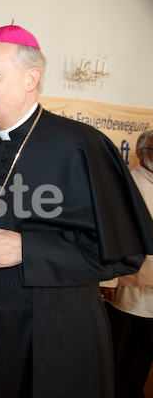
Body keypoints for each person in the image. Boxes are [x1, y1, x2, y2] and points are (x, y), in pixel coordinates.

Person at [0, 24, 153, 398]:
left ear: (31, 78)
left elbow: (128, 254)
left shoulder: (84, 146)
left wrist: (26, 249)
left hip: (58, 327)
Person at [101, 129, 153, 398]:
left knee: (143, 359)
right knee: (123, 360)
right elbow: (109, 235)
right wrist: (107, 280)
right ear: (141, 153)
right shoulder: (125, 186)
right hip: (128, 290)